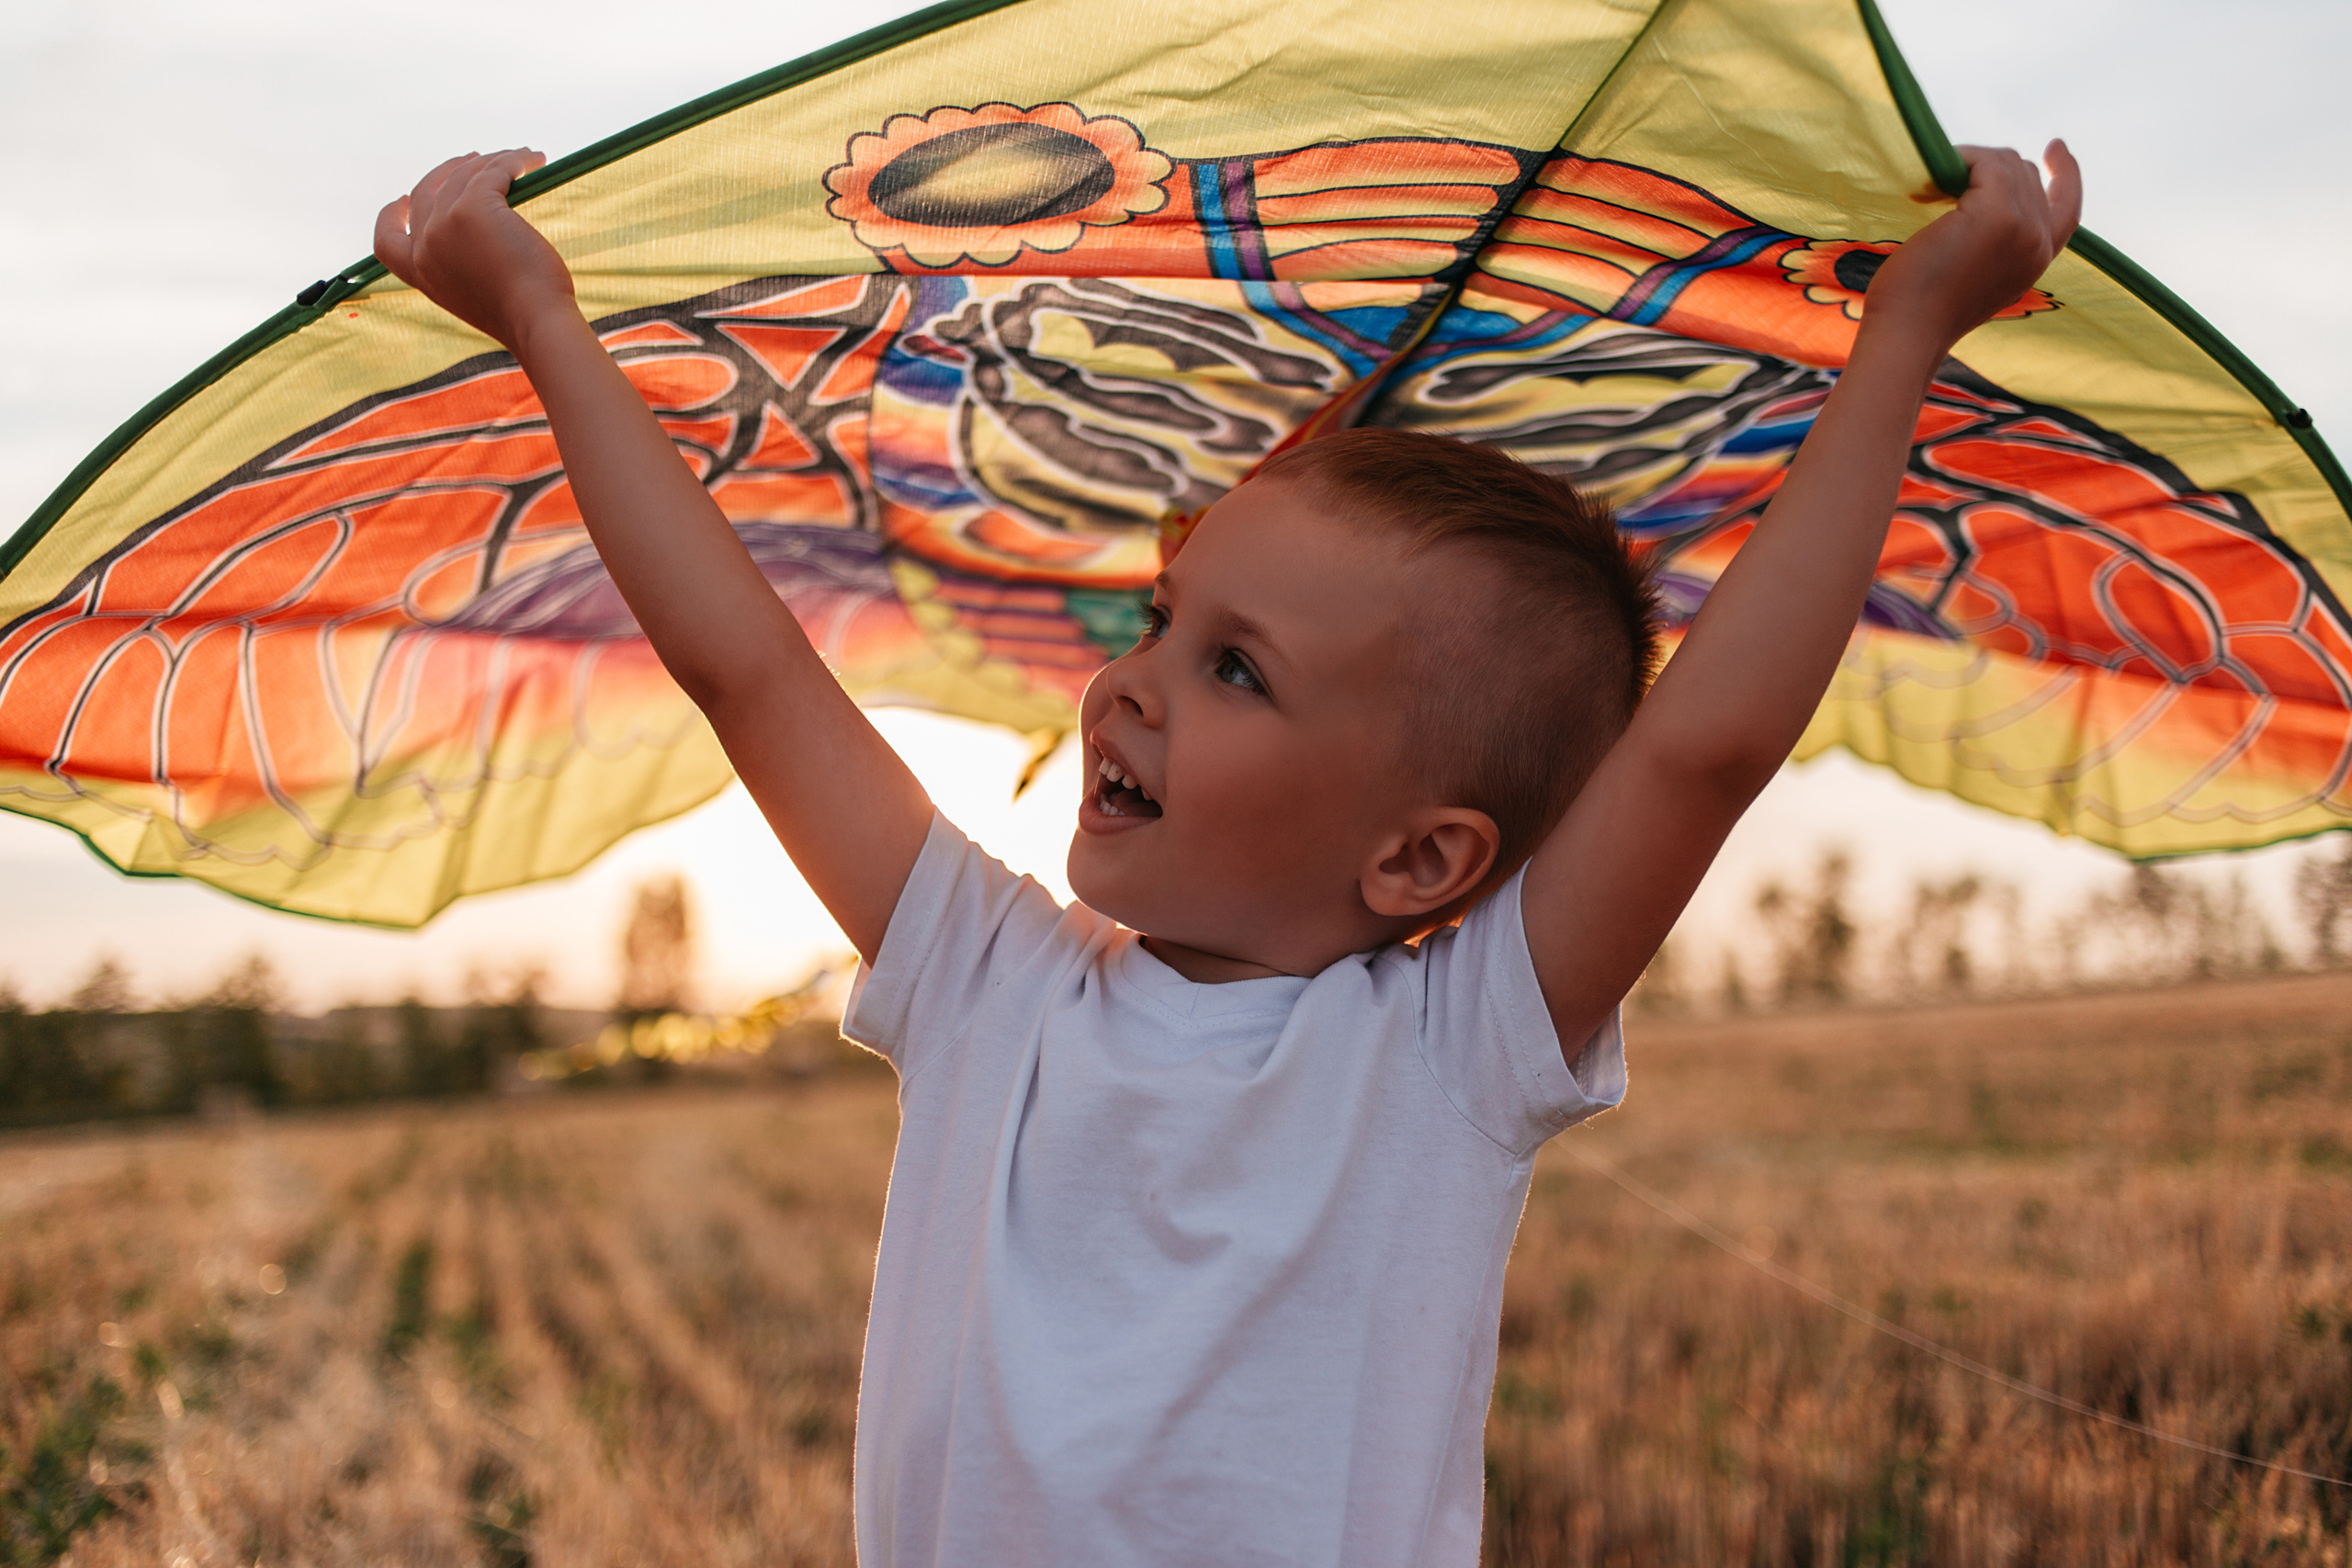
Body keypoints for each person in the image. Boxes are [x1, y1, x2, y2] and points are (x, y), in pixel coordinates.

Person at [375, 136, 2080, 1565]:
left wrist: (1908, 331)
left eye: (1237, 669)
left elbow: (1706, 748)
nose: (1131, 684)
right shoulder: (988, 981)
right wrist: (542, 322)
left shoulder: (1448, 1052)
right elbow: (743, 666)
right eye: (1162, 620)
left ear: (1422, 862)